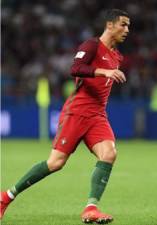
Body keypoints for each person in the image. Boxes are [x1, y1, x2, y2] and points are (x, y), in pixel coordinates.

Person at [1, 9, 130, 224]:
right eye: (123, 24)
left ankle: (90, 208)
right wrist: (103, 72)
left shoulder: (117, 56)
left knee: (109, 154)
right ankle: (6, 197)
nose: (127, 30)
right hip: (77, 112)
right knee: (55, 163)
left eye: (128, 26)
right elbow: (76, 68)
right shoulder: (91, 46)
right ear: (110, 25)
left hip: (97, 115)